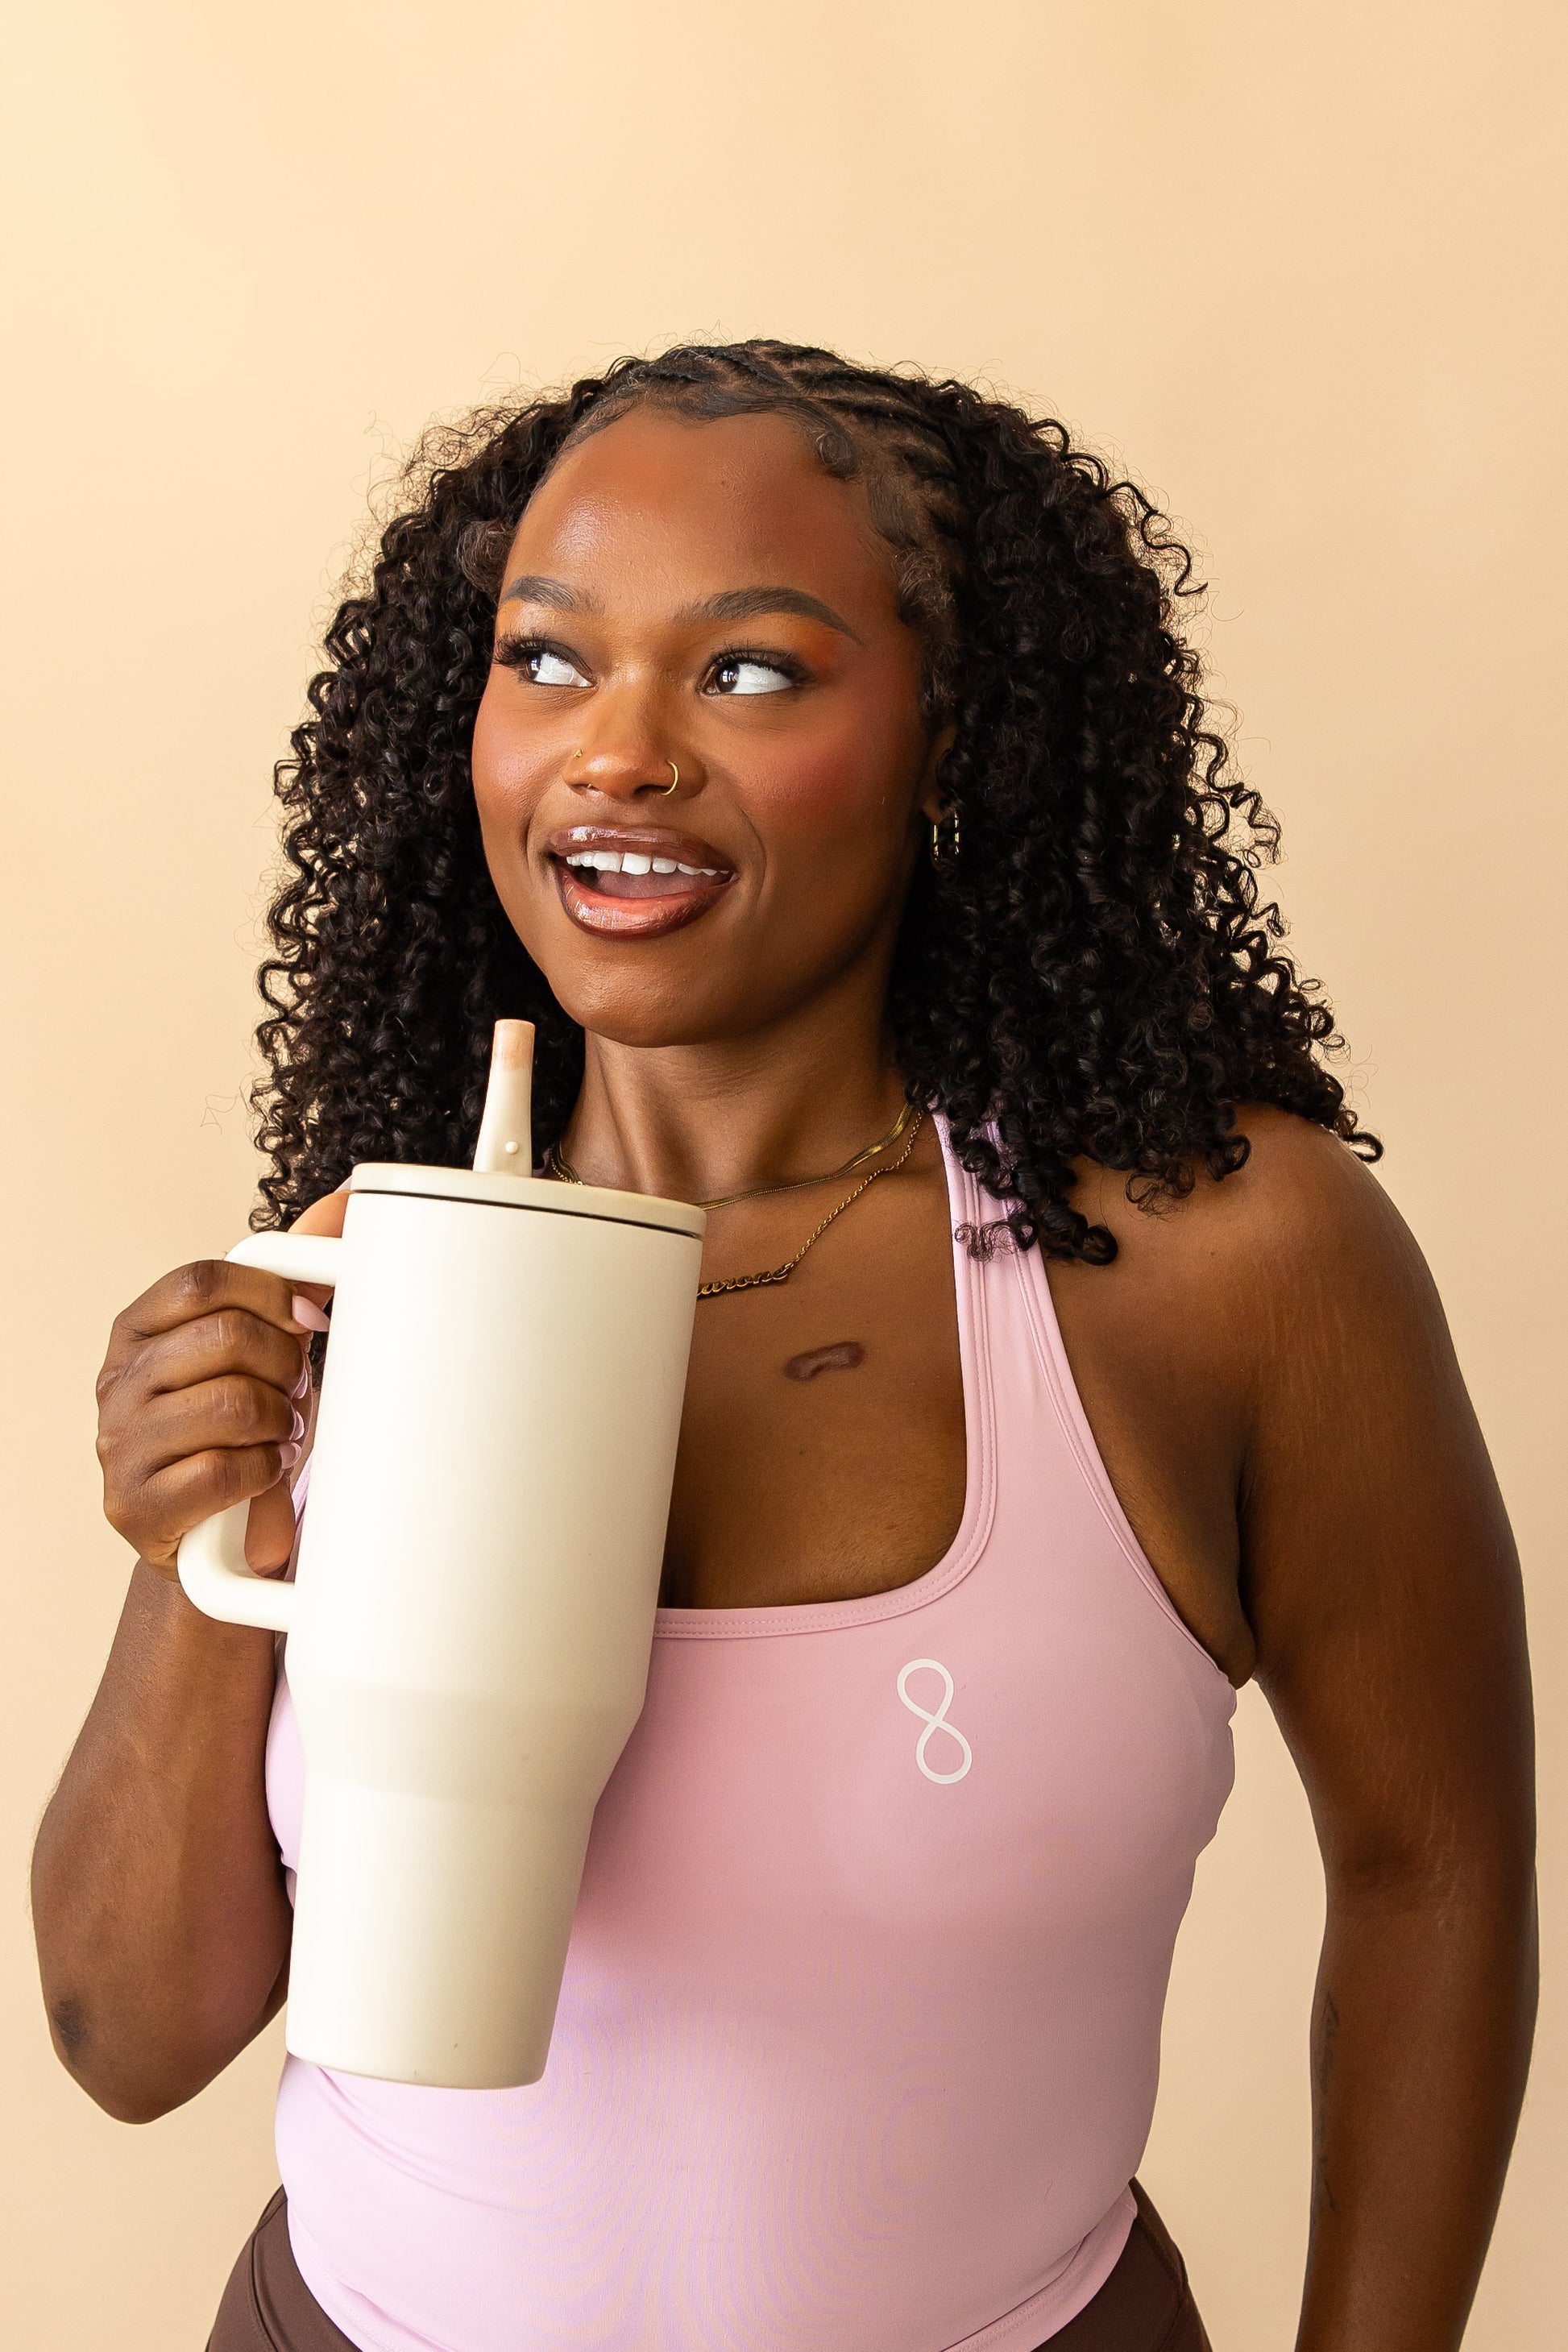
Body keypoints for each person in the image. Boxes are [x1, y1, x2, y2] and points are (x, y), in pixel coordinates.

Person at [32, 342, 1535, 2352]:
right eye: (546, 658)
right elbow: (129, 2037)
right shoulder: (363, 1272)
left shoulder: (1215, 1260)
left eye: (746, 670)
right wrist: (194, 1550)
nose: (618, 751)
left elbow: (1437, 1873)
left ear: (949, 738)